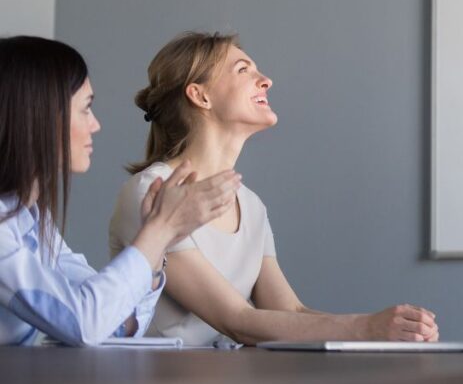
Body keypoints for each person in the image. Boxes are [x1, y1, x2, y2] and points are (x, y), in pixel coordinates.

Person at [109, 32, 439, 346]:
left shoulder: (251, 206)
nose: (266, 80)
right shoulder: (151, 194)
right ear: (200, 95)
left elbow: (288, 313)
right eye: (243, 69)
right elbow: (235, 320)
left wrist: (391, 330)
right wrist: (368, 328)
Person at [0, 35, 238, 346]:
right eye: (86, 109)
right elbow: (85, 323)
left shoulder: (31, 218)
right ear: (39, 115)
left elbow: (117, 323)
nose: (95, 125)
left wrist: (156, 253)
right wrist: (158, 231)